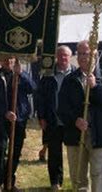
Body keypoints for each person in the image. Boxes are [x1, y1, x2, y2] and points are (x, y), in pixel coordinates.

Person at [58, 40, 102, 191]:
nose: (84, 57)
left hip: (98, 134)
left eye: (88, 53)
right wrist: (75, 120)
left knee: (98, 173)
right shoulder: (70, 80)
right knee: (78, 176)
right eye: (81, 53)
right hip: (75, 136)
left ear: (96, 55)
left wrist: (95, 87)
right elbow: (62, 108)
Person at [0, 55, 36, 192]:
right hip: (1, 120)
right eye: (6, 59)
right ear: (1, 61)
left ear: (15, 60)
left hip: (18, 119)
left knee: (15, 151)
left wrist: (22, 74)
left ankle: (10, 180)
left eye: (12, 59)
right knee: (1, 150)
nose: (9, 62)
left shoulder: (21, 76)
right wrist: (5, 112)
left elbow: (32, 89)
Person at [37, 45, 77, 191]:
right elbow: (40, 96)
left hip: (71, 121)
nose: (63, 58)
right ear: (56, 57)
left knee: (74, 153)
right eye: (60, 55)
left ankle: (77, 181)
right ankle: (55, 182)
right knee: (54, 153)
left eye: (65, 55)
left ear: (70, 57)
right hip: (53, 120)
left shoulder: (76, 74)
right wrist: (41, 116)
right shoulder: (48, 74)